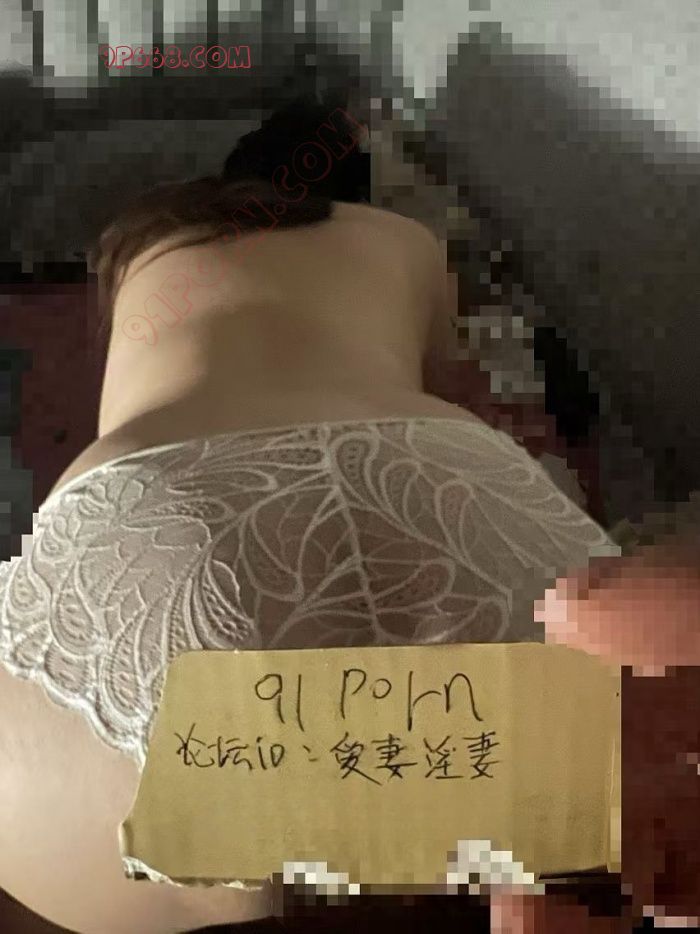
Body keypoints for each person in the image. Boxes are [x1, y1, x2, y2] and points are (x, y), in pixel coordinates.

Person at [0, 96, 619, 934]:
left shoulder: (142, 246)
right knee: (578, 819)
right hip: (425, 471)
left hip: (153, 507)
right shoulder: (404, 240)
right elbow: (449, 379)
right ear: (357, 187)